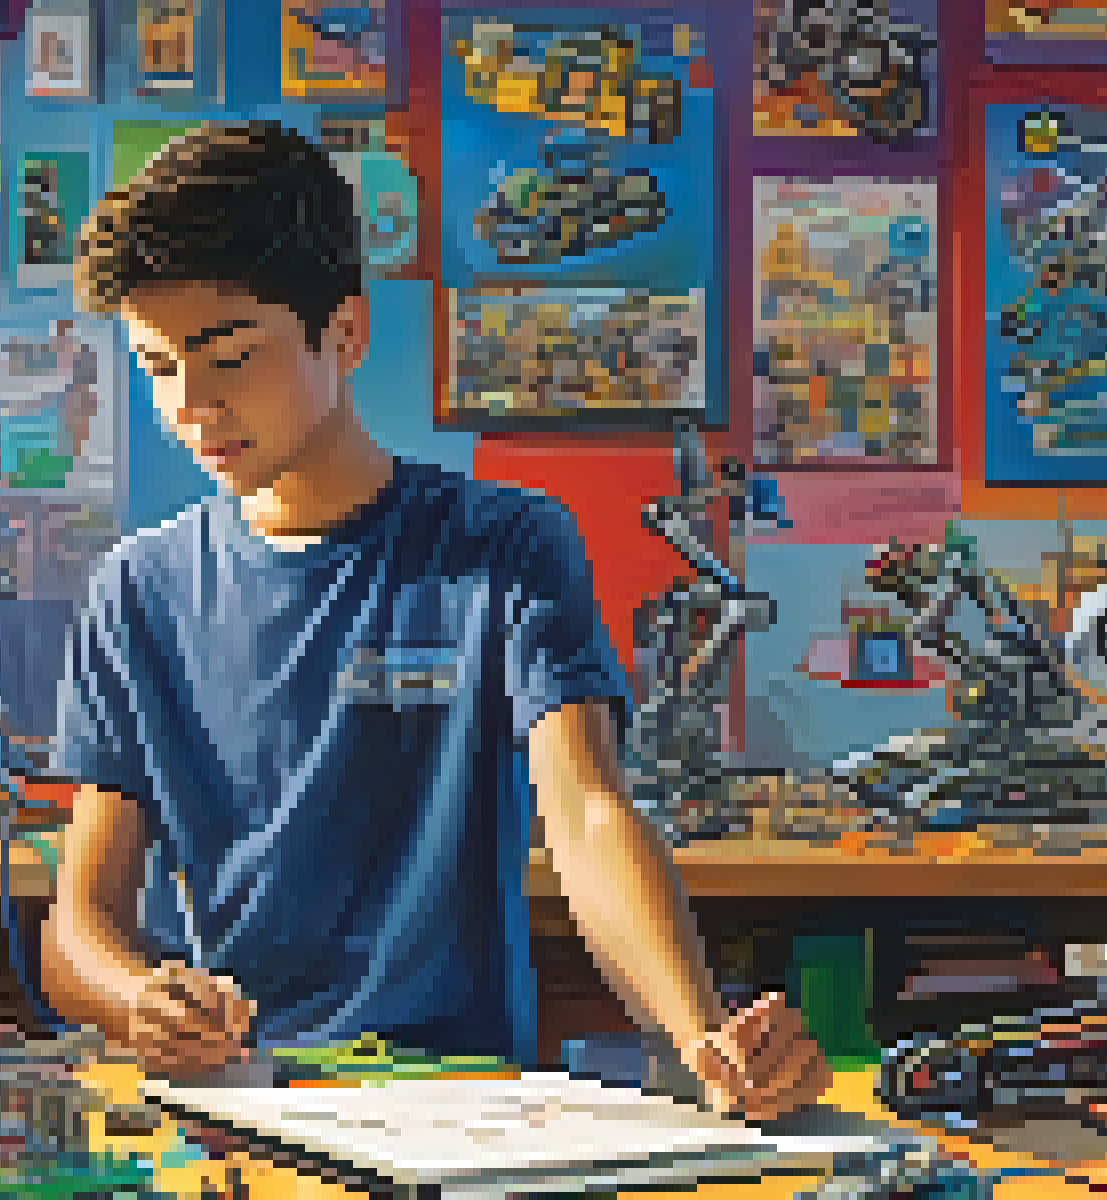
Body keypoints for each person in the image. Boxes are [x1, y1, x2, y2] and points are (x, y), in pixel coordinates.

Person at [40, 121, 831, 1121]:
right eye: (158, 367)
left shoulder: (504, 544)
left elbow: (588, 815)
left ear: (345, 334)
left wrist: (698, 1034)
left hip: (462, 1112)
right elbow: (79, 925)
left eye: (230, 358)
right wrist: (136, 1001)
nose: (191, 405)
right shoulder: (137, 589)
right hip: (237, 1105)